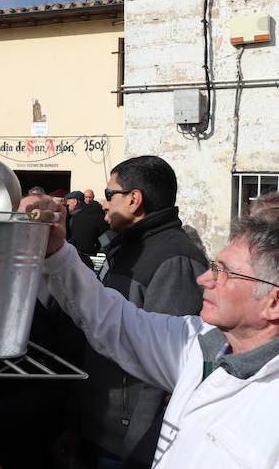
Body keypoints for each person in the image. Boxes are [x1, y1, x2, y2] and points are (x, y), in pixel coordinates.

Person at [23, 193, 279, 469]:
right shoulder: (199, 343)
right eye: (213, 267)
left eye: (223, 273)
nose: (204, 279)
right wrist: (56, 253)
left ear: (273, 303)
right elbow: (114, 321)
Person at [77, 156, 208, 468]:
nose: (103, 204)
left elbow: (165, 370)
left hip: (124, 446)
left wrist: (138, 450)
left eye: (110, 194)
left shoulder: (175, 260)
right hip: (96, 429)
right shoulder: (125, 249)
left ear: (134, 199)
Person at [65, 190, 108, 256]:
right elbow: (105, 239)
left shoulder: (77, 218)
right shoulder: (97, 214)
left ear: (75, 202)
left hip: (82, 256)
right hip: (94, 255)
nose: (67, 207)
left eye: (68, 205)